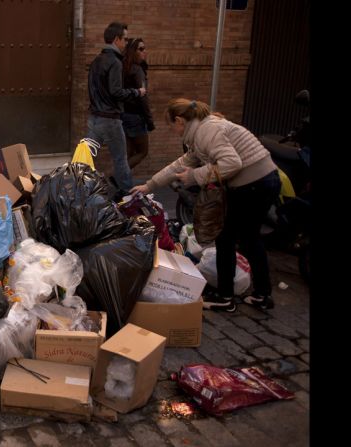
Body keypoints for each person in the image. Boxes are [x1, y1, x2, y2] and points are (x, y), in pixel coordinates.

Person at [131, 99, 281, 313]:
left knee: (226, 237)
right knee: (249, 238)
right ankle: (262, 295)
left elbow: (232, 163)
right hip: (264, 180)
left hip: (253, 185)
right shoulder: (201, 131)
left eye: (172, 126)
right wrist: (149, 185)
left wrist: (193, 176)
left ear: (180, 121)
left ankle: (225, 297)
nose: (174, 132)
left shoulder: (206, 130)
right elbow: (180, 164)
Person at [87, 22, 146, 194]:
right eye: (125, 39)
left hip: (94, 118)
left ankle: (78, 189)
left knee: (87, 157)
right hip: (110, 119)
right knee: (120, 159)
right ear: (116, 39)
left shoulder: (96, 60)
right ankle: (130, 196)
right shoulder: (115, 62)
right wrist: (137, 92)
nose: (127, 43)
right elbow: (116, 92)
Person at [121, 38, 155, 169]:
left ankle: (121, 182)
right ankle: (117, 176)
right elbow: (143, 97)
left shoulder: (123, 67)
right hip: (135, 116)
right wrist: (149, 120)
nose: (144, 51)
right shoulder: (137, 70)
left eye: (144, 48)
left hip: (124, 115)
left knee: (129, 152)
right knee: (142, 151)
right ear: (132, 51)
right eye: (141, 49)